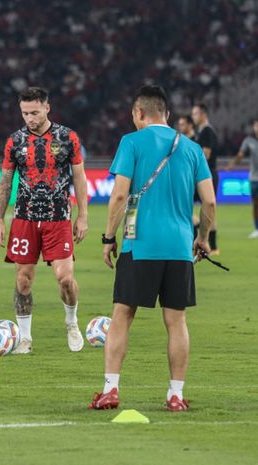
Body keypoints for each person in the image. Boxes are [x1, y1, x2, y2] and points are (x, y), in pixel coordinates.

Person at [90, 85, 215, 411]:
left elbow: (119, 196)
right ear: (168, 115)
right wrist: (202, 239)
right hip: (178, 248)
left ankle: (111, 390)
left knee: (122, 316)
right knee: (176, 321)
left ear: (139, 113)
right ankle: (175, 394)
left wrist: (107, 237)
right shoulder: (191, 148)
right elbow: (210, 201)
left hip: (139, 244)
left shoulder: (131, 142)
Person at [0, 87, 88, 355]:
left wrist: (82, 215)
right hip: (24, 219)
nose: (29, 118)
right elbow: (5, 181)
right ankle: (25, 338)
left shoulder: (67, 137)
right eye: (25, 113)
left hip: (58, 218)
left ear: (47, 108)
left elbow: (79, 177)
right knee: (23, 280)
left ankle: (71, 321)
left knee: (65, 278)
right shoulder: (14, 141)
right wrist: (0, 220)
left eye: (34, 112)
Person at [192, 103, 220, 254]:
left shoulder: (206, 131)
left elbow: (206, 154)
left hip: (206, 175)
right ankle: (203, 237)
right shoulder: (202, 131)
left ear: (203, 114)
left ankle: (212, 245)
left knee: (208, 206)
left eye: (195, 113)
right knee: (204, 207)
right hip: (205, 175)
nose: (193, 116)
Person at [227, 118, 258, 238]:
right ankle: (256, 229)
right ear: (254, 127)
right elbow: (240, 155)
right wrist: (232, 165)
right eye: (256, 126)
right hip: (254, 178)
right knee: (256, 205)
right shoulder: (249, 140)